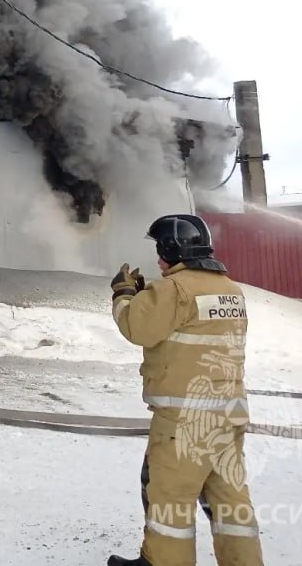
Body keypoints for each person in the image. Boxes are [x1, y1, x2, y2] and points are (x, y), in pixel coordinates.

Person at [108, 214, 264, 566]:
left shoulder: (172, 290)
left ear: (173, 249)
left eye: (161, 250)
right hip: (228, 418)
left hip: (184, 423)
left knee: (170, 502)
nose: (158, 259)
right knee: (230, 503)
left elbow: (137, 327)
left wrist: (124, 294)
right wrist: (149, 296)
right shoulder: (231, 291)